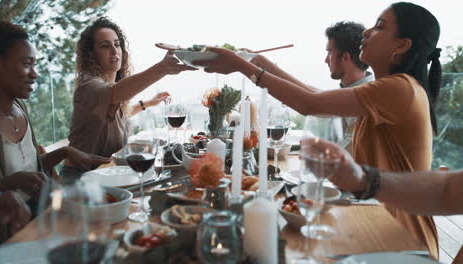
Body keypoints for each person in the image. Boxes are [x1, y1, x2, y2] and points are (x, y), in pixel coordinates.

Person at [196, 2, 442, 258]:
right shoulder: (391, 88)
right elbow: (315, 96)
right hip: (373, 221)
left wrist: (242, 66)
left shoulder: (399, 88)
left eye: (380, 26)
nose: (367, 32)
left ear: (402, 45)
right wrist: (260, 63)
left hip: (401, 238)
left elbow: (309, 104)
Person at [0, 21, 110, 213]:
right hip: (11, 231)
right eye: (26, 64)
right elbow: (15, 181)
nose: (35, 74)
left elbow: (33, 171)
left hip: (42, 213)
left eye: (35, 65)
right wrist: (9, 183)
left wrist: (65, 152)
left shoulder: (20, 107)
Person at [67, 17, 195, 161]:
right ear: (91, 54)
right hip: (82, 177)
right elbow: (116, 92)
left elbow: (119, 115)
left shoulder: (111, 90)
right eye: (105, 46)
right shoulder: (89, 87)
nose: (114, 50)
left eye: (117, 44)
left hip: (108, 172)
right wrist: (162, 68)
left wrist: (147, 104)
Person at [301, 137, 463, 216]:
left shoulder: (399, 86)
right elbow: (445, 191)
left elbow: (311, 102)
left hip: (400, 226)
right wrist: (362, 180)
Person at [324, 21, 374, 151]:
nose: (325, 60)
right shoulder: (349, 91)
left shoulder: (365, 99)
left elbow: (346, 158)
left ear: (345, 57)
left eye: (329, 52)